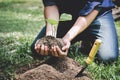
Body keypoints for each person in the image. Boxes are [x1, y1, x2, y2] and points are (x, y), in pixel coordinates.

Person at [31, 0, 119, 63]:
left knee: (108, 57)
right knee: (38, 48)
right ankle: (85, 36)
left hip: (98, 16)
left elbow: (92, 8)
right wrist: (50, 38)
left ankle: (88, 38)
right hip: (76, 17)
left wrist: (66, 38)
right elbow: (51, 5)